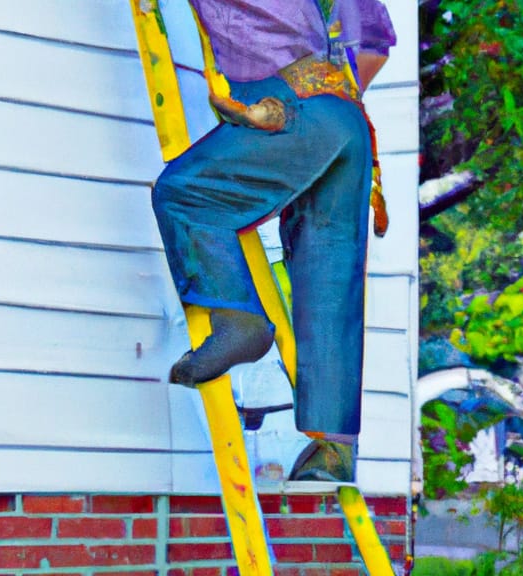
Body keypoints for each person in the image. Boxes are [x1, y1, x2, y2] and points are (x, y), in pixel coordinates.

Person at [151, 0, 396, 482]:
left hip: (287, 105)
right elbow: (374, 48)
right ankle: (334, 448)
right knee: (329, 273)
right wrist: (325, 117)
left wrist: (303, 115)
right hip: (345, 115)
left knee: (185, 195)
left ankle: (240, 321)